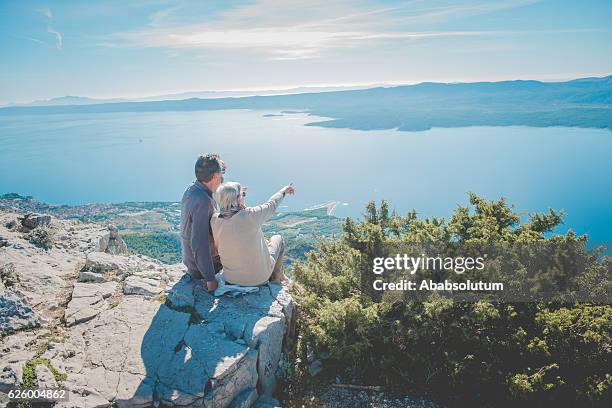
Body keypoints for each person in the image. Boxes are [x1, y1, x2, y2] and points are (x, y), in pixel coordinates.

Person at [211, 182, 295, 286]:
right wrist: (284, 190)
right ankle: (277, 278)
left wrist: (239, 195)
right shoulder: (250, 216)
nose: (244, 196)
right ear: (238, 199)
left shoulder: (214, 220)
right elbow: (272, 204)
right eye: (243, 195)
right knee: (278, 239)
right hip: (258, 279)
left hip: (231, 279)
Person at [180, 153, 226, 292]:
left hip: (191, 261)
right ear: (215, 176)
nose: (223, 177)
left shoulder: (193, 189)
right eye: (221, 173)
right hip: (203, 269)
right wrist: (210, 279)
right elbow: (199, 243)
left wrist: (220, 168)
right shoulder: (203, 201)